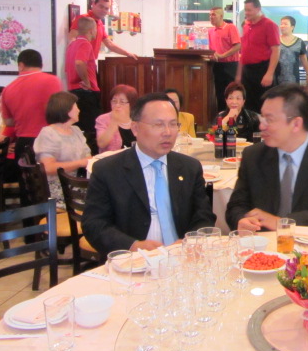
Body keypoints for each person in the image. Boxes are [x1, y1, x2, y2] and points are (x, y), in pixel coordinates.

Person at [82, 93, 216, 255]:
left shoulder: (189, 167)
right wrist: (132, 245)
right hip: (133, 261)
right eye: (158, 125)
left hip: (183, 258)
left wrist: (191, 241)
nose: (168, 132)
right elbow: (94, 224)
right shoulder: (108, 170)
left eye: (173, 124)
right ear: (135, 128)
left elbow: (204, 216)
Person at [225, 84, 308, 231]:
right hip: (262, 246)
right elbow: (236, 206)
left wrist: (282, 222)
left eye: (270, 119)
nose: (261, 126)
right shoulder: (253, 155)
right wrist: (241, 219)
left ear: (296, 124)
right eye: (262, 118)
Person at [1, 49, 63, 162]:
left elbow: (9, 122)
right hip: (50, 137)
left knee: (27, 177)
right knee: (52, 177)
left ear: (21, 65)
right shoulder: (53, 81)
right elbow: (60, 110)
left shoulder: (8, 89)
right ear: (41, 65)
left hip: (24, 142)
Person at [33, 92, 91, 209]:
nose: (79, 110)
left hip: (76, 183)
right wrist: (80, 163)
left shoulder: (76, 130)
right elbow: (48, 168)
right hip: (58, 188)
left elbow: (88, 157)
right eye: (76, 106)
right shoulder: (48, 133)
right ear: (66, 109)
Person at [236, 0, 280, 112]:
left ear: (258, 9)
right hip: (247, 70)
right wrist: (239, 74)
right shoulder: (246, 25)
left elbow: (276, 50)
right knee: (248, 103)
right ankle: (250, 128)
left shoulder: (270, 25)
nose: (246, 13)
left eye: (249, 10)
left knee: (264, 104)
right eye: (245, 10)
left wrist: (269, 73)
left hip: (262, 69)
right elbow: (243, 50)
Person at [66, 16, 101, 154]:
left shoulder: (71, 45)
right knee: (91, 131)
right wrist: (87, 81)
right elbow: (79, 62)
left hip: (73, 91)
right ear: (92, 30)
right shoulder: (84, 44)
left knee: (79, 130)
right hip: (86, 92)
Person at [69, 0, 137, 59]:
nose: (103, 10)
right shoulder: (83, 19)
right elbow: (72, 38)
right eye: (101, 7)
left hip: (90, 62)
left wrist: (127, 53)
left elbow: (109, 44)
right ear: (93, 5)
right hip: (80, 62)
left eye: (106, 8)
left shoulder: (100, 23)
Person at [208, 7, 241, 113]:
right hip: (217, 65)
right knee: (219, 93)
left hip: (231, 65)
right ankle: (222, 118)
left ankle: (234, 116)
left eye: (214, 15)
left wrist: (222, 55)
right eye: (210, 15)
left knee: (232, 93)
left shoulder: (230, 27)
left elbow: (237, 46)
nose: (211, 17)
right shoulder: (210, 31)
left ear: (221, 16)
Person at [95, 85, 138, 153]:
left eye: (122, 102)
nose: (117, 105)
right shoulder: (103, 119)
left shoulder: (137, 119)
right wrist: (114, 122)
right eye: (114, 101)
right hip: (112, 160)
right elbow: (101, 144)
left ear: (131, 104)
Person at [277, 16, 308, 85]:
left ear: (292, 27)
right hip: (277, 78)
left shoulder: (299, 42)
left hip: (293, 79)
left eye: (285, 24)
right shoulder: (275, 41)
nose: (282, 26)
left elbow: (303, 58)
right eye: (281, 24)